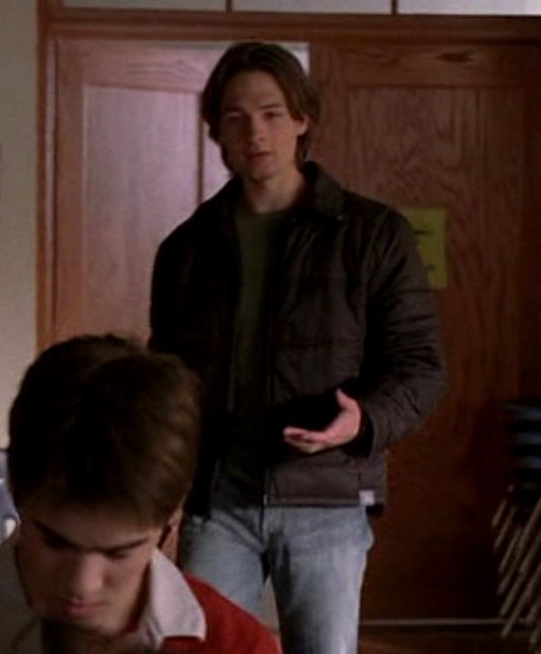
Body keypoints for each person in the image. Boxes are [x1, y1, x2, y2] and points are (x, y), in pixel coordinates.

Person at [148, 42, 448, 654]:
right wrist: (159, 488)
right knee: (204, 649)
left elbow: (420, 366)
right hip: (218, 502)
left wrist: (363, 420)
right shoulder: (187, 247)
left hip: (327, 498)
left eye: (271, 114)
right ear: (216, 131)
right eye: (236, 117)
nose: (255, 133)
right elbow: (164, 383)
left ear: (302, 118)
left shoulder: (372, 234)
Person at [0, 334, 281, 654]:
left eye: (120, 553)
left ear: (171, 520)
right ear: (16, 493)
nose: (82, 585)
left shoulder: (239, 646)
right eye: (55, 543)